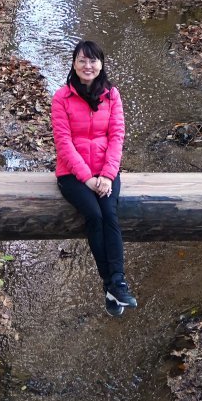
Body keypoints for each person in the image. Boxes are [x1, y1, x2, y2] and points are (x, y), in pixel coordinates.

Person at [51, 39, 138, 318]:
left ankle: (117, 283)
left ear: (101, 64)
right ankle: (111, 284)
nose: (88, 66)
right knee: (95, 215)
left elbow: (117, 136)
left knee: (110, 215)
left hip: (106, 172)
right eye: (82, 60)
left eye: (93, 60)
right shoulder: (61, 97)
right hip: (72, 175)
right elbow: (63, 142)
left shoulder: (112, 95)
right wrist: (87, 178)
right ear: (74, 64)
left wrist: (108, 175)